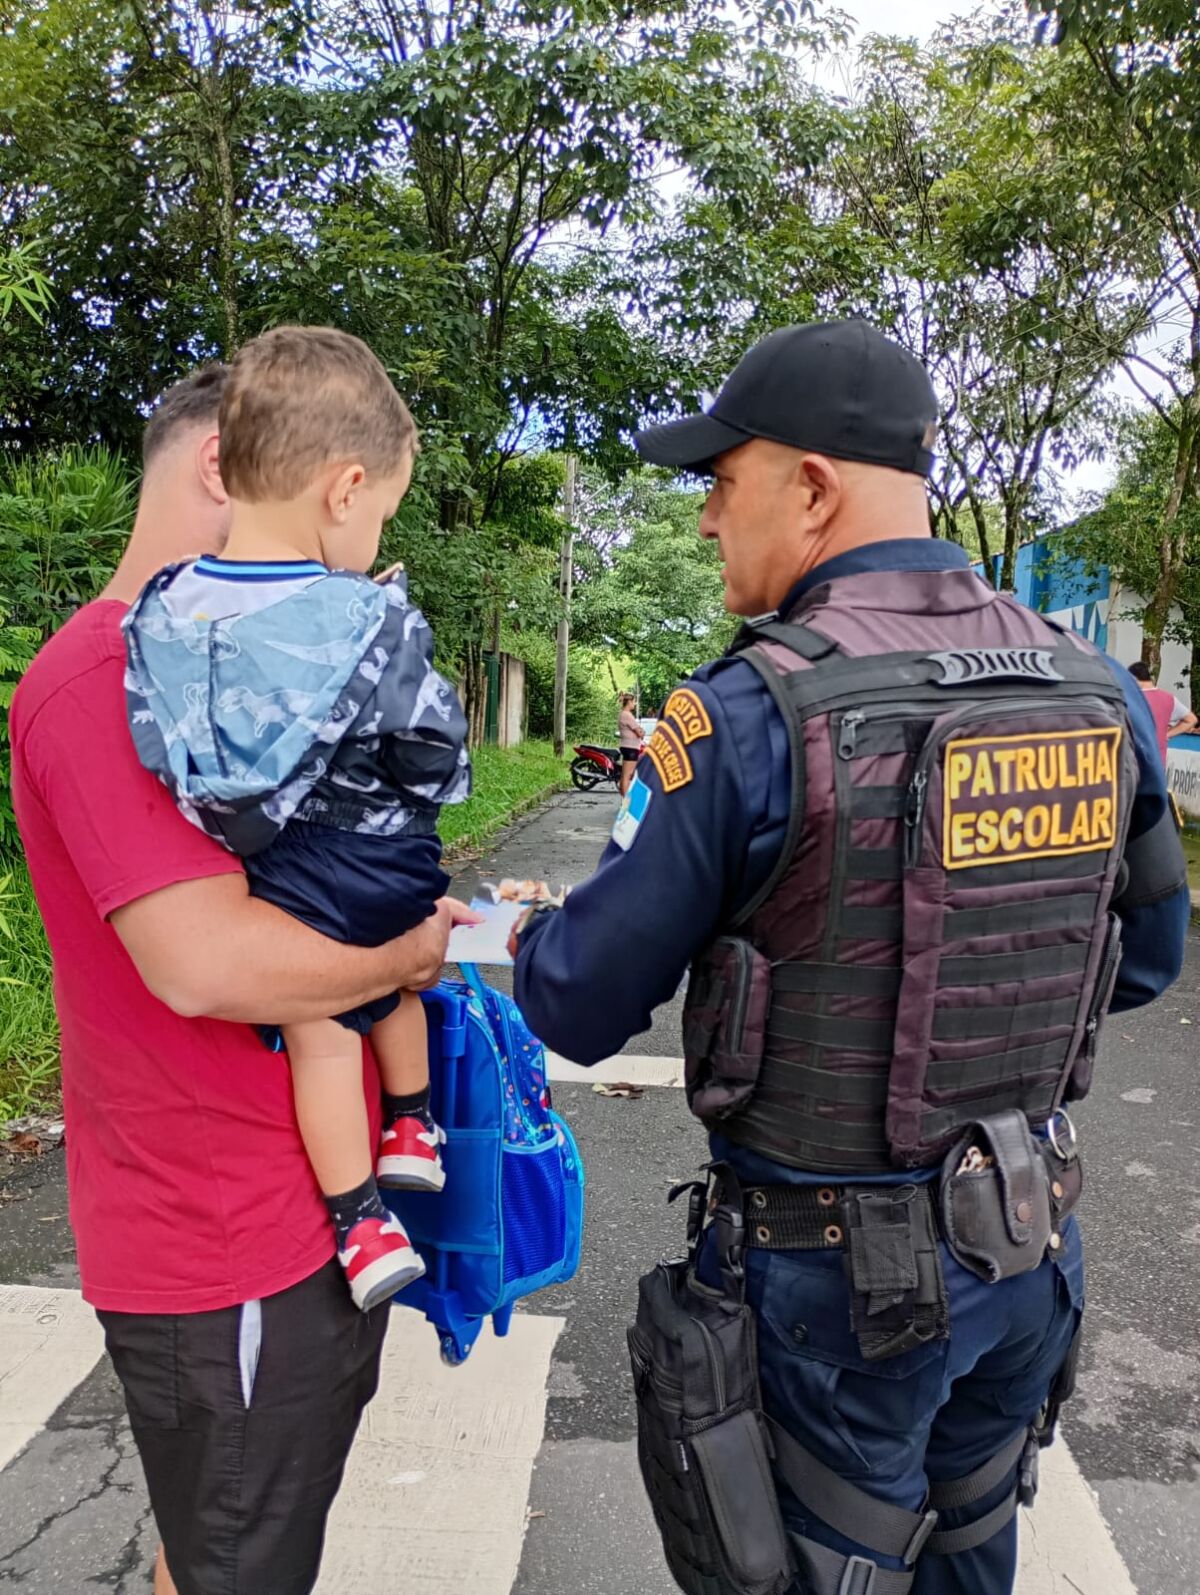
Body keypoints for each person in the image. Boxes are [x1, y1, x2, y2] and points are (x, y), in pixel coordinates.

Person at [512, 320, 1190, 1595]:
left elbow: (577, 999)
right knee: (972, 1543)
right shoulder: (1094, 688)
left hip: (836, 1296)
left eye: (724, 481)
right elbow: (1148, 959)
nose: (708, 518)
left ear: (814, 486)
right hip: (1026, 1245)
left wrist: (541, 927)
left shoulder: (748, 713)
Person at [10, 363, 476, 1595]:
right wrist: (406, 955)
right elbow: (207, 963)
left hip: (286, 1224)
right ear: (227, 464)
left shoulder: (239, 666)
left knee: (223, 1552)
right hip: (230, 1247)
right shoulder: (109, 675)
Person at [123, 326, 471, 1315]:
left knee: (318, 1031)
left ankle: (360, 1221)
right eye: (383, 512)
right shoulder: (371, 615)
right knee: (396, 963)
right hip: (374, 854)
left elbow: (154, 735)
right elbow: (431, 743)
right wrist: (428, 788)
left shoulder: (161, 611)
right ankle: (412, 1124)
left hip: (272, 872)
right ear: (345, 490)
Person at [1128, 660, 1198, 764]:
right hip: (1158, 761)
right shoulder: (1169, 699)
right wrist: (1167, 735)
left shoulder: (1131, 698)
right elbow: (1191, 719)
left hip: (1133, 760)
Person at [618, 691, 644, 795]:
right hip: (631, 747)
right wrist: (641, 732)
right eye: (633, 702)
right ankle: (626, 799)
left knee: (625, 775)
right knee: (627, 776)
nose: (634, 704)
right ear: (629, 702)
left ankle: (624, 797)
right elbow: (639, 732)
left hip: (627, 746)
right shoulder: (627, 715)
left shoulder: (623, 714)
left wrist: (640, 731)